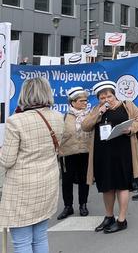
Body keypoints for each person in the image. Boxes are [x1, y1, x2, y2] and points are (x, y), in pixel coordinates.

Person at [0, 78, 64, 252]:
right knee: (40, 237)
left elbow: (7, 160)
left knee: (21, 242)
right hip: (47, 182)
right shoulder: (58, 117)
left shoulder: (16, 121)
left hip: (22, 188)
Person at [82, 80, 138, 233]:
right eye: (102, 98)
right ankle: (109, 216)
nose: (106, 100)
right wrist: (99, 112)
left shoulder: (127, 105)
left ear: (114, 95)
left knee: (122, 185)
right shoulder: (97, 109)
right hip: (103, 153)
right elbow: (85, 126)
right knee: (107, 187)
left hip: (123, 152)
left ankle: (121, 219)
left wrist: (131, 129)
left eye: (109, 96)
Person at [57, 87, 92, 220]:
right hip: (67, 153)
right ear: (73, 102)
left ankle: (83, 205)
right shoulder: (64, 117)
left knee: (84, 180)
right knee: (67, 181)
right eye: (82, 100)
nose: (85, 103)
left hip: (85, 152)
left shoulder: (89, 115)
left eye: (86, 100)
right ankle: (68, 206)